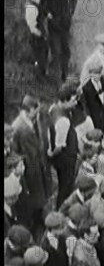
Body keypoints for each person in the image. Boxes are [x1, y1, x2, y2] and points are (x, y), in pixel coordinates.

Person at [11, 95, 52, 234]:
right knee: (33, 199)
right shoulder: (19, 127)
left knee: (40, 196)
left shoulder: (32, 121)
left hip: (36, 167)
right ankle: (34, 226)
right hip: (29, 171)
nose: (38, 113)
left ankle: (39, 218)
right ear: (29, 109)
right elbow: (21, 153)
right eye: (37, 110)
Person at [81, 59, 104, 132]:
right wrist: (89, 118)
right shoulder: (86, 88)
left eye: (99, 73)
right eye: (95, 73)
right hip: (95, 119)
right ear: (90, 74)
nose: (97, 76)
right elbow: (86, 106)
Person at [25, 0, 50, 76]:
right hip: (36, 35)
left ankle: (42, 72)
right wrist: (41, 35)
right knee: (39, 54)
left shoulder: (38, 2)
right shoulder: (31, 6)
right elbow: (31, 26)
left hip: (40, 33)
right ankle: (39, 73)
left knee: (44, 51)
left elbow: (42, 10)